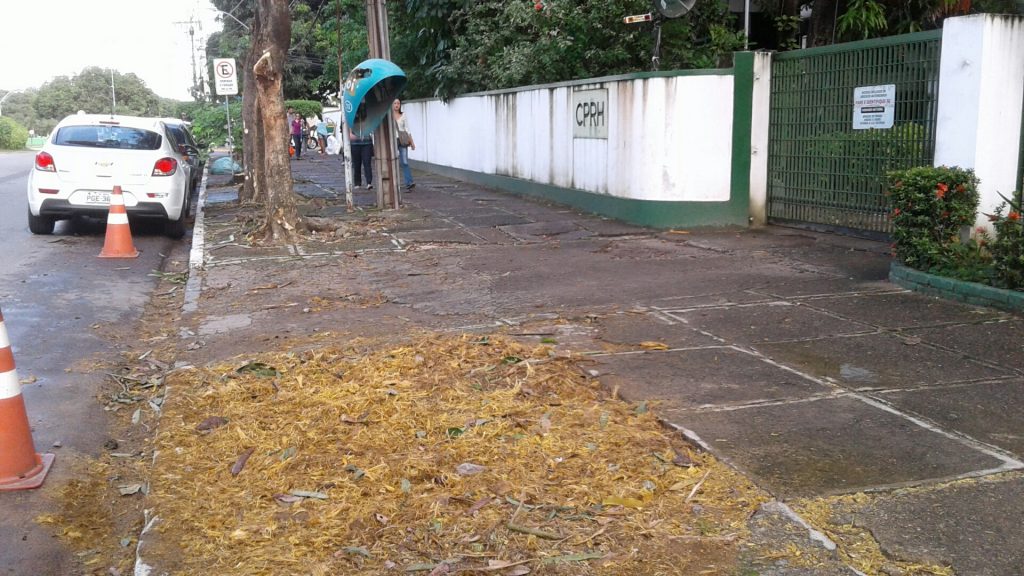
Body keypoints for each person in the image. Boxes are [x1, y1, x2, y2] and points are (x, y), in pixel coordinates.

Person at [392, 99, 415, 189]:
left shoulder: (403, 115)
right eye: (395, 103)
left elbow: (407, 129)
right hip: (393, 140)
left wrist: (412, 142)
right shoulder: (389, 116)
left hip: (402, 140)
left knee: (404, 162)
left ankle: (409, 182)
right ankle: (394, 182)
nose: (396, 105)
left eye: (398, 103)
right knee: (392, 161)